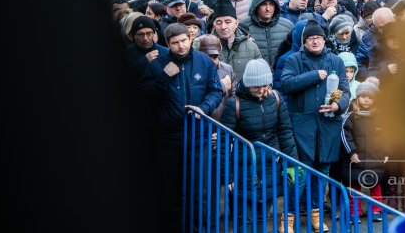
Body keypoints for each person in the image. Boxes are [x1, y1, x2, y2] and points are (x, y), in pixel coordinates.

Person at [142, 23, 224, 226]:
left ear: (190, 39)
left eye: (184, 41)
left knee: (199, 190)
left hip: (199, 135)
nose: (180, 46)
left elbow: (216, 90)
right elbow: (145, 97)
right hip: (169, 138)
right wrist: (163, 77)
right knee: (171, 190)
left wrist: (203, 108)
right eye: (175, 43)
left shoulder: (204, 61)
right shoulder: (156, 65)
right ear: (167, 44)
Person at [220, 58, 298, 228]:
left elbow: (285, 133)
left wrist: (292, 165)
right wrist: (228, 176)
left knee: (263, 216)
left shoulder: (276, 98)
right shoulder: (235, 104)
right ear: (248, 85)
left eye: (265, 85)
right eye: (257, 86)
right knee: (245, 219)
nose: (262, 90)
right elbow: (224, 142)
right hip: (244, 168)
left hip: (270, 165)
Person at [281, 21, 350, 174]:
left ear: (324, 40)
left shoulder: (336, 60)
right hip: (303, 128)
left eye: (318, 37)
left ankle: (317, 199)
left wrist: (338, 106)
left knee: (323, 173)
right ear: (304, 41)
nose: (315, 41)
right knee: (302, 175)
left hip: (328, 125)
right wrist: (314, 75)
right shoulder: (293, 60)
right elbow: (286, 84)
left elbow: (346, 91)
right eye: (310, 38)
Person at [342, 82, 387, 222]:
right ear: (357, 98)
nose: (366, 100)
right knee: (354, 187)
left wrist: (386, 152)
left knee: (375, 184)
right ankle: (354, 212)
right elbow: (344, 135)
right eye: (363, 96)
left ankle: (376, 210)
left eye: (370, 97)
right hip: (356, 159)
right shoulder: (351, 116)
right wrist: (351, 152)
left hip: (375, 158)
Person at [241, 0, 294, 68]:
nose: (268, 9)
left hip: (281, 74)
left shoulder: (288, 26)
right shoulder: (243, 27)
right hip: (255, 74)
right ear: (256, 6)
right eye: (263, 4)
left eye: (271, 4)